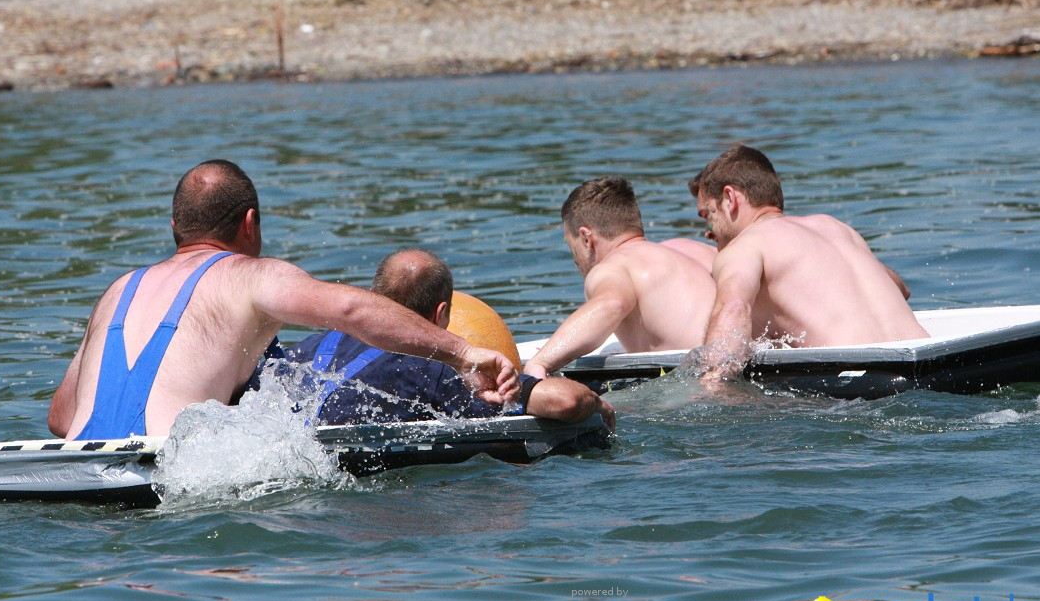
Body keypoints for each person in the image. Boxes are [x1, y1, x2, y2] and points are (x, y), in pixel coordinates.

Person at [48, 161, 519, 440]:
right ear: (250, 223)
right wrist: (463, 353)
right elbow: (352, 310)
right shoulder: (251, 276)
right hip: (170, 475)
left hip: (77, 464)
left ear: (175, 228)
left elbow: (61, 416)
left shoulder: (119, 289)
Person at [283, 249, 614, 428]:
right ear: (441, 313)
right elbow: (564, 402)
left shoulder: (306, 349)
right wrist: (596, 403)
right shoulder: (435, 368)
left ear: (375, 295)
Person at [689, 145, 928, 380]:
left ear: (730, 198)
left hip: (863, 383)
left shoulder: (744, 247)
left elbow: (733, 308)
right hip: (932, 365)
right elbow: (900, 289)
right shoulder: (833, 226)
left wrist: (711, 388)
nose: (707, 233)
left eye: (707, 215)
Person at [523, 176, 716, 379]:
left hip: (704, 381)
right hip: (743, 363)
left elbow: (611, 304)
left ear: (587, 239)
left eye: (573, 249)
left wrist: (540, 363)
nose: (575, 263)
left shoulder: (614, 266)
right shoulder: (691, 249)